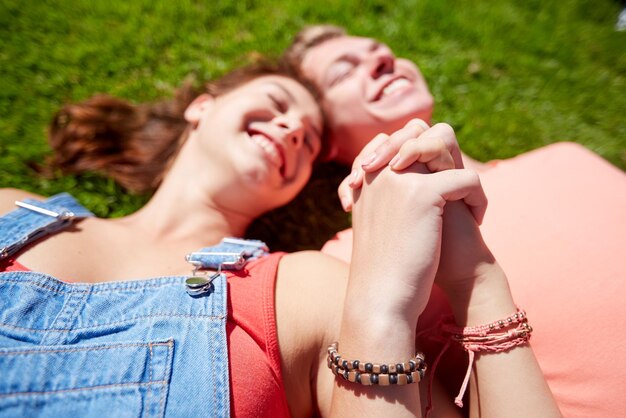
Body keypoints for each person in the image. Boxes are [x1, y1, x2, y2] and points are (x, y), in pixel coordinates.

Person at [0, 64, 560, 417]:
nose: (292, 128)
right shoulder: (11, 208)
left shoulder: (304, 291)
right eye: (276, 102)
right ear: (204, 105)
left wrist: (468, 282)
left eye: (309, 140)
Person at [281, 24, 626, 417]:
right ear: (323, 140)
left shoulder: (566, 158)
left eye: (381, 51)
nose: (381, 59)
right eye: (343, 72)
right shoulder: (352, 261)